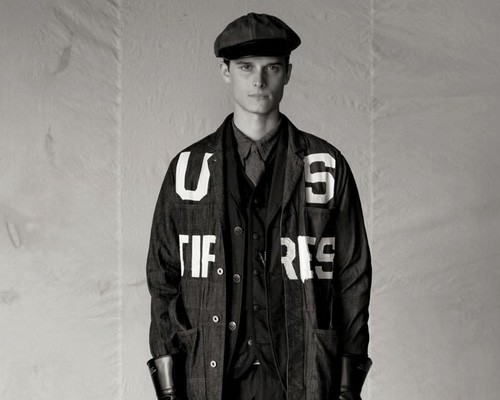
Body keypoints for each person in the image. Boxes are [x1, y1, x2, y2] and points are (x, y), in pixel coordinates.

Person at [146, 12, 372, 400]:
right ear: (225, 71)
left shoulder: (326, 165)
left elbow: (352, 276)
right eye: (246, 67)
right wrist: (168, 382)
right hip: (211, 373)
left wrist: (347, 385)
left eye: (272, 68)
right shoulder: (188, 169)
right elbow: (162, 275)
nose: (259, 80)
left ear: (288, 73)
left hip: (303, 372)